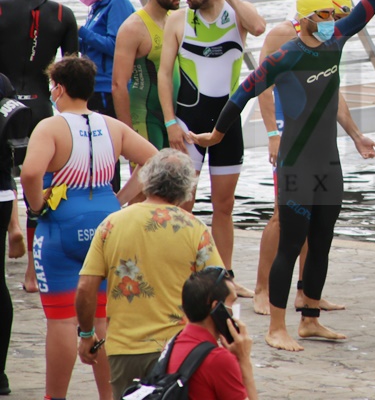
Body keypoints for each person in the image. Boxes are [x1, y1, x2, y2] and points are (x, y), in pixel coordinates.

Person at [190, 0, 375, 351]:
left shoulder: (336, 42)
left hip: (327, 162)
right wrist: (218, 135)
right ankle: (277, 326)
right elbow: (241, 92)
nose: (339, 18)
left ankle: (309, 318)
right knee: (291, 242)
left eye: (339, 15)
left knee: (323, 242)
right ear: (311, 17)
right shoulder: (287, 55)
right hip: (296, 160)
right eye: (331, 14)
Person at [19, 56, 157, 400]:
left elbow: (31, 173)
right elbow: (155, 159)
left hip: (63, 226)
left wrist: (37, 206)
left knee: (63, 321)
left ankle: (56, 397)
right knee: (102, 321)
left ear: (59, 88)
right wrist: (121, 199)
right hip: (108, 225)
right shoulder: (113, 126)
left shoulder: (50, 127)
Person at [251, 0, 375, 316]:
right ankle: (262, 289)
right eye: (334, 14)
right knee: (283, 217)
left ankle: (306, 293)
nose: (336, 21)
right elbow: (262, 87)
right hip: (286, 129)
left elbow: (331, 91)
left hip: (316, 136)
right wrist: (271, 134)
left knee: (316, 218)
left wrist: (354, 134)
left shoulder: (326, 38)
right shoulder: (283, 35)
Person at [76, 149, 225, 399]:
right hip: (178, 350)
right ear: (185, 188)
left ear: (147, 180)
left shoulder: (111, 224)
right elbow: (221, 289)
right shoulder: (194, 228)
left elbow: (85, 288)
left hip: (124, 349)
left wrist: (87, 335)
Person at [157, 0, 266, 296]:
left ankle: (226, 276)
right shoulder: (178, 20)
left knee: (224, 205)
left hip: (227, 124)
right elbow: (163, 74)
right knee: (183, 204)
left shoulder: (237, 15)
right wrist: (170, 122)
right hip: (188, 122)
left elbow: (260, 27)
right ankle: (180, 276)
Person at [0, 0, 79, 294]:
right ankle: (34, 271)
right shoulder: (63, 14)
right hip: (41, 108)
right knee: (42, 184)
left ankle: (11, 226)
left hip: (3, 104)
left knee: (4, 173)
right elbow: (72, 70)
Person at [73, 0, 137, 192]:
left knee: (107, 148)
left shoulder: (117, 3)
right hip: (94, 85)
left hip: (108, 87)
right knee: (95, 150)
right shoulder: (97, 6)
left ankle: (111, 197)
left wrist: (83, 33)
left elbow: (116, 46)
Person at [111, 0, 183, 152]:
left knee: (177, 178)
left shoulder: (173, 20)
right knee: (148, 180)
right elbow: (118, 84)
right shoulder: (133, 27)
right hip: (144, 116)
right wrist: (127, 134)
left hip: (173, 117)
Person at [166, 267, 258, 399]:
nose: (234, 310)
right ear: (216, 307)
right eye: (232, 302)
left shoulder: (171, 345)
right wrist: (244, 361)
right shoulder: (218, 359)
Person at [0, 73, 30, 396]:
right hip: (3, 195)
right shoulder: (3, 83)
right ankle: (1, 374)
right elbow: (12, 160)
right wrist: (15, 226)